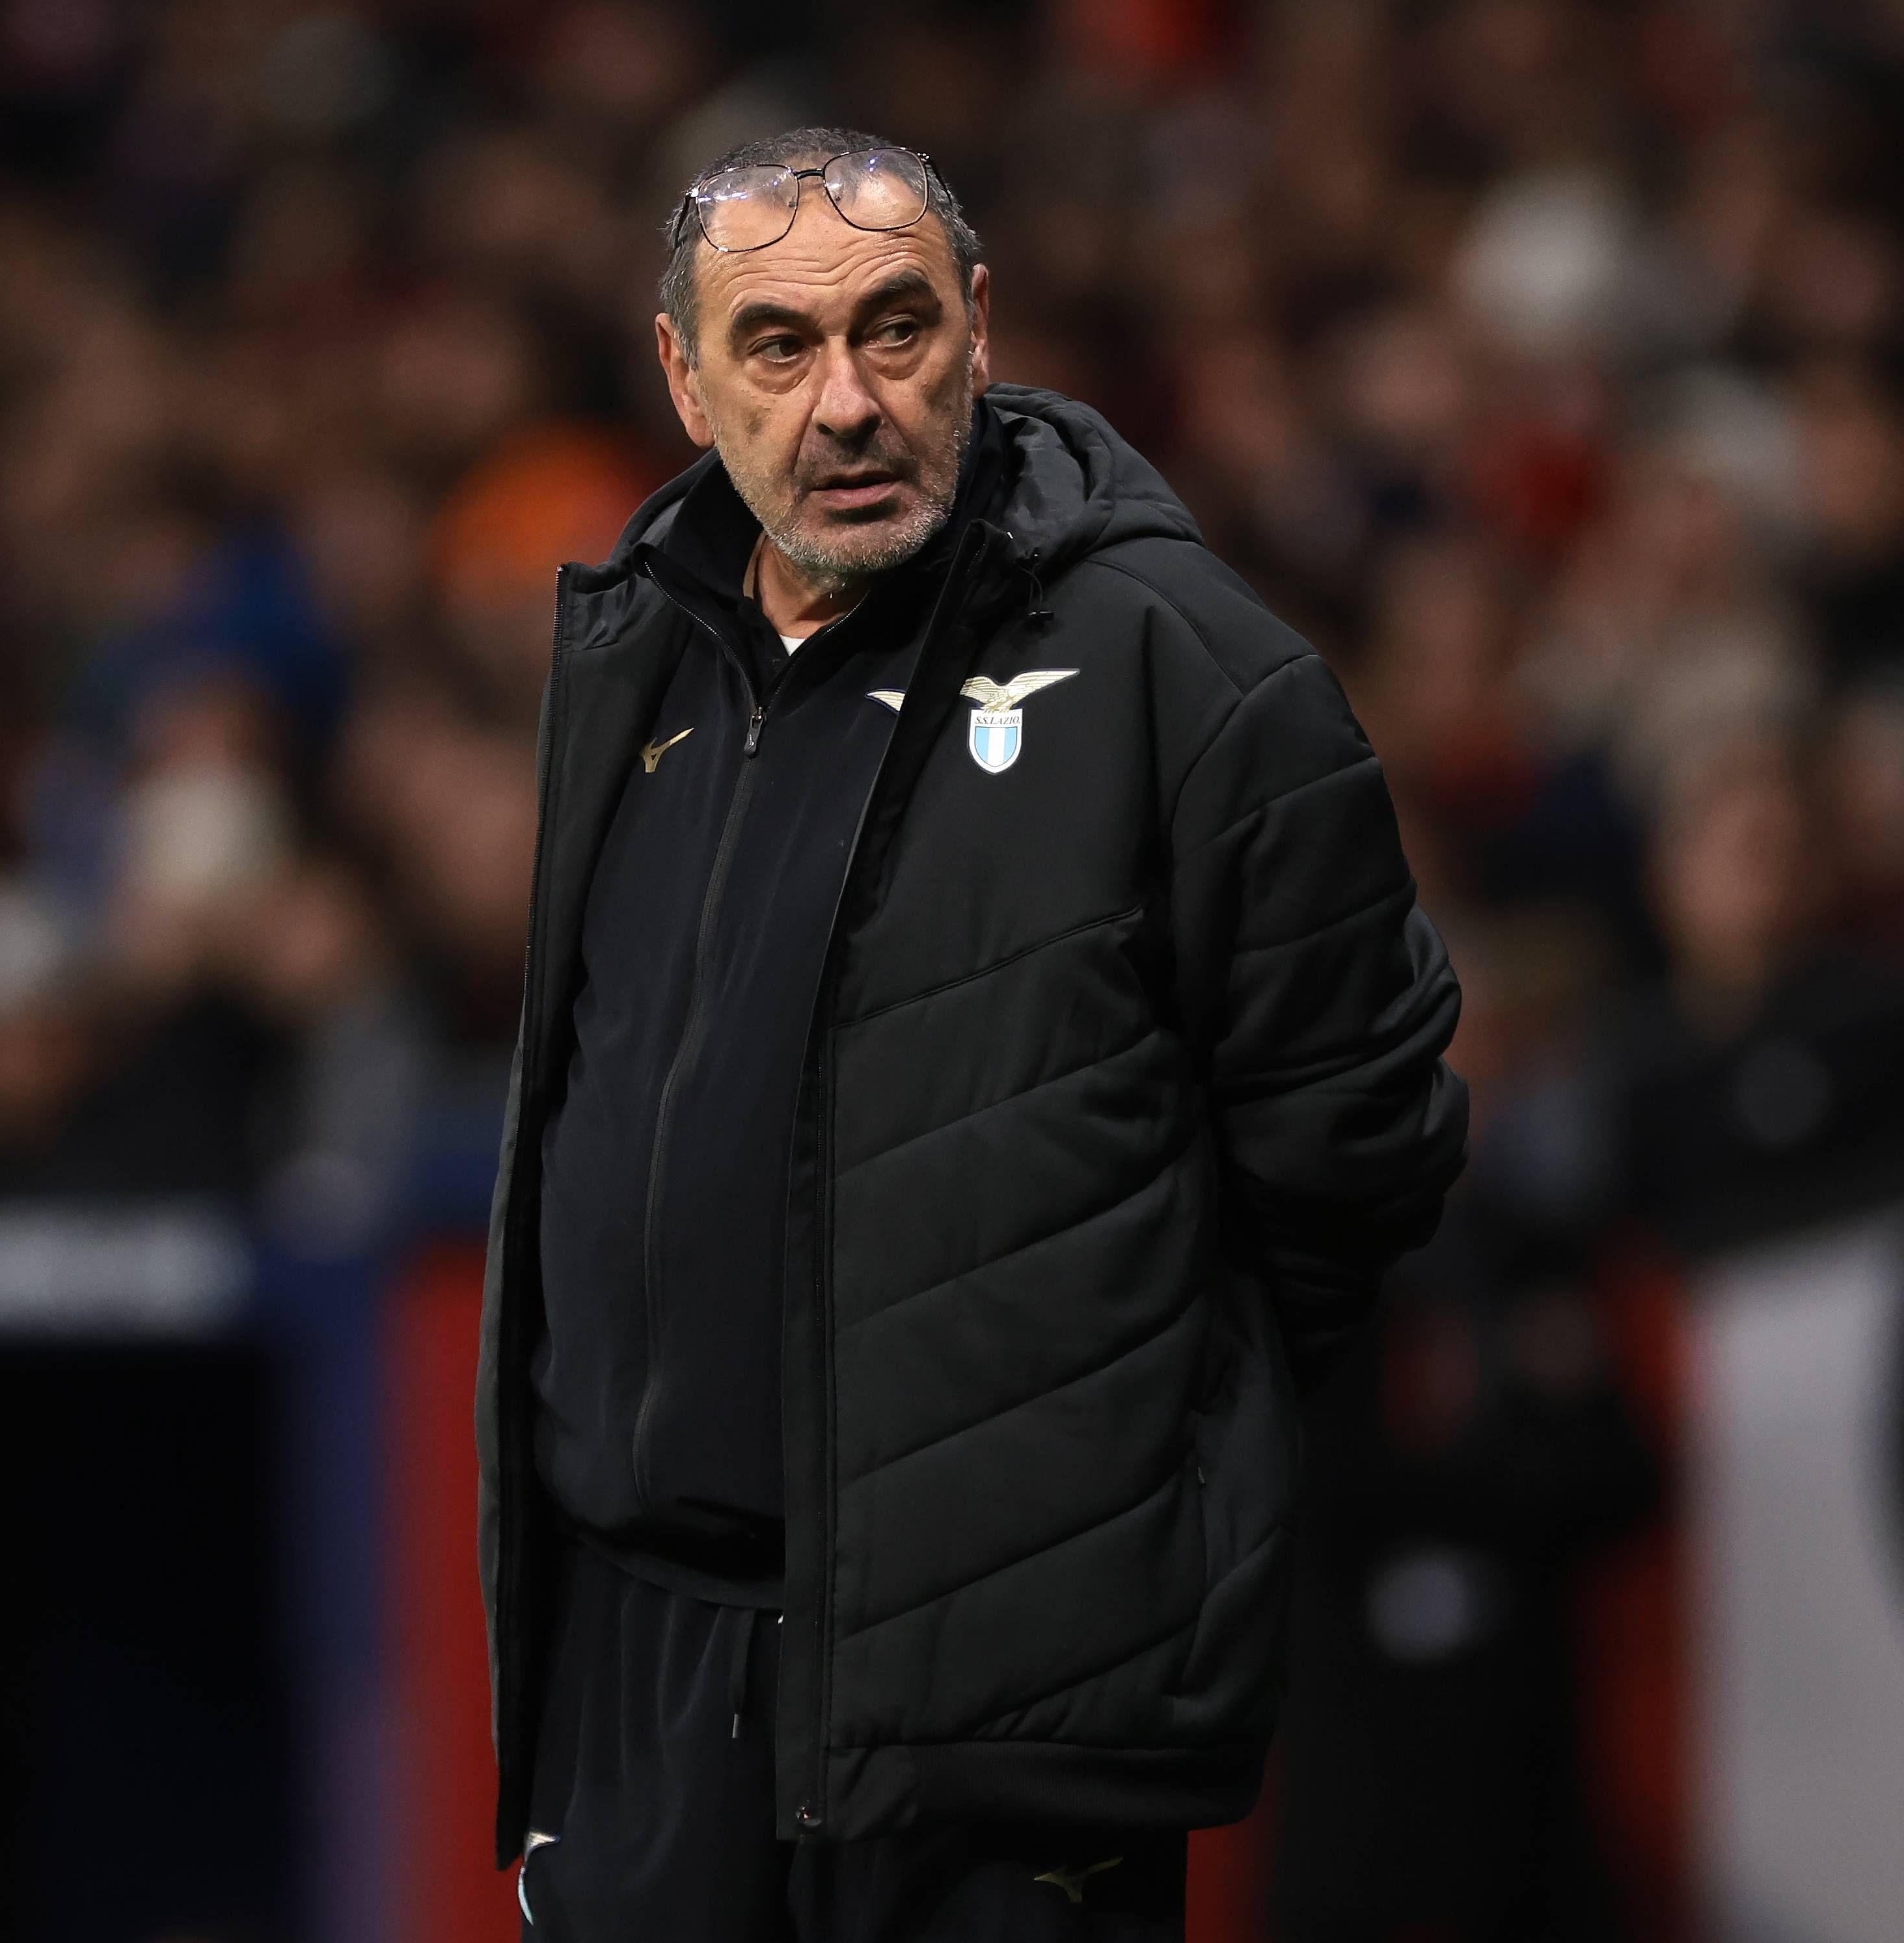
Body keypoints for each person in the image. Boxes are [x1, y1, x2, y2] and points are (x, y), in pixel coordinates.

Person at [475, 129, 1469, 1940]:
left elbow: (1359, 1159)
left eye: (896, 330)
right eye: (777, 347)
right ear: (685, 382)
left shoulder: (1194, 675)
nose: (845, 402)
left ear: (982, 331)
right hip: (643, 1692)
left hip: (997, 1721)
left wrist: (1115, 1471)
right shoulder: (634, 661)